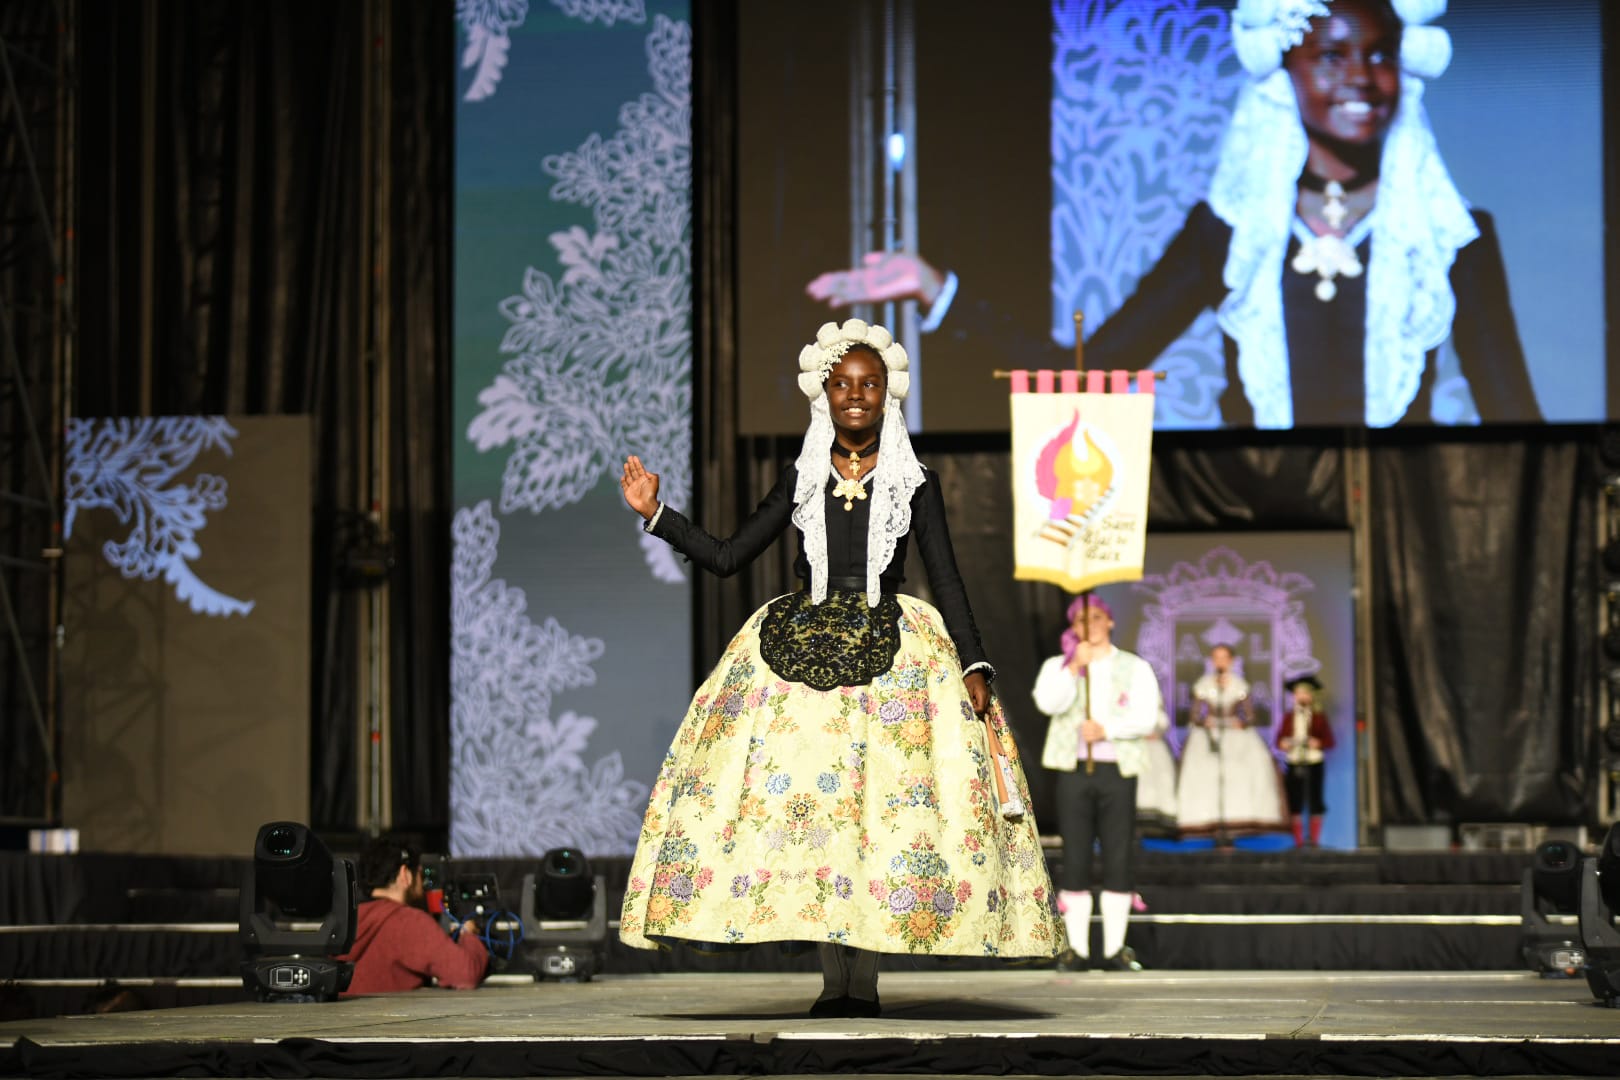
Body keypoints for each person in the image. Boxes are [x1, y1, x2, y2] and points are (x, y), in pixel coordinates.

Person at [807, 0, 1541, 428]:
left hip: (1404, 531)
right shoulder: (1227, 233)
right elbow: (1085, 376)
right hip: (1265, 525)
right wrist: (939, 290)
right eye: (1333, 54)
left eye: (1379, 55)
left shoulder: (1453, 237)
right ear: (1284, 70)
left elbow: (1518, 425)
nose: (1360, 77)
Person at [617, 319, 1060, 1018]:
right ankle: (835, 982)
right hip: (800, 655)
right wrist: (658, 515)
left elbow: (946, 580)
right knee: (822, 818)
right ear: (824, 392)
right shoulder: (799, 477)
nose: (856, 396)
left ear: (888, 396)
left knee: (881, 817)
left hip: (895, 655)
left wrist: (972, 663)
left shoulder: (916, 482)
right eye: (844, 384)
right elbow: (730, 555)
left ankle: (867, 983)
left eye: (870, 385)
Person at [1033, 594, 1163, 972]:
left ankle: (1114, 948)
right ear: (1073, 628)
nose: (1088, 626)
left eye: (1095, 617)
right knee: (1075, 854)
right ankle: (1076, 948)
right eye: (1080, 620)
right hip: (1073, 770)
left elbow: (1146, 716)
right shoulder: (1059, 666)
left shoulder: (1134, 667)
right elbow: (1047, 702)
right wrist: (1074, 669)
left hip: (1116, 771)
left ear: (1109, 621)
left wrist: (1107, 730)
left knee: (1118, 853)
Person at [337, 838, 489, 997]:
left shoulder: (345, 920)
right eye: (420, 874)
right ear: (405, 875)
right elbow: (465, 974)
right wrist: (469, 935)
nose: (423, 882)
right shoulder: (407, 921)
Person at [1175, 645, 1288, 839]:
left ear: (1232, 661)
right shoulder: (1203, 684)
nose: (1220, 662)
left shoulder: (1239, 685)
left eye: (1224, 657)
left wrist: (1241, 723)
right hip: (1209, 736)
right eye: (1216, 658)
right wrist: (1204, 721)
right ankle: (1210, 824)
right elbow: (1194, 715)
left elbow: (1251, 716)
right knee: (1207, 776)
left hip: (1235, 736)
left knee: (1238, 776)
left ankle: (1235, 825)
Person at [1277, 673, 1336, 848]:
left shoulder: (1318, 717)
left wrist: (1318, 743)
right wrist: (1285, 743)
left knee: (1315, 800)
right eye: (1298, 693)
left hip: (1314, 761)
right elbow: (1278, 740)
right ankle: (1298, 842)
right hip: (1295, 761)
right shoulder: (1289, 717)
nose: (1301, 696)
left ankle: (1314, 841)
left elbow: (1330, 741)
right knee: (1295, 801)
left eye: (1305, 693)